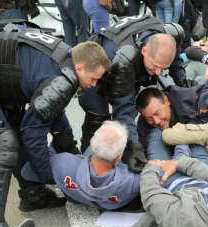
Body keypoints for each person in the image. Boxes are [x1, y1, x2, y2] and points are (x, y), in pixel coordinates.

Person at [0, 21, 110, 227]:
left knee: (15, 130)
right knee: (2, 143)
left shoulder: (62, 60)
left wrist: (73, 158)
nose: (94, 85)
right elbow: (33, 133)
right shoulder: (62, 77)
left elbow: (55, 117)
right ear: (80, 68)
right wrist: (49, 174)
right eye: (93, 79)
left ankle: (32, 193)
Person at [79, 15, 187, 171]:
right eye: (155, 66)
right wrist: (135, 147)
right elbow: (123, 112)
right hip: (99, 67)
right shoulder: (125, 62)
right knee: (98, 118)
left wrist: (181, 81)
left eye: (162, 68)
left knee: (129, 124)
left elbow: (174, 57)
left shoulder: (168, 36)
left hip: (131, 62)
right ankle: (85, 165)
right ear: (144, 50)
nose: (158, 73)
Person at [22, 120, 140, 209]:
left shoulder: (62, 163)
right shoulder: (133, 180)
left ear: (92, 141)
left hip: (75, 187)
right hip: (114, 200)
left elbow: (27, 172)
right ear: (119, 156)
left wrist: (54, 147)